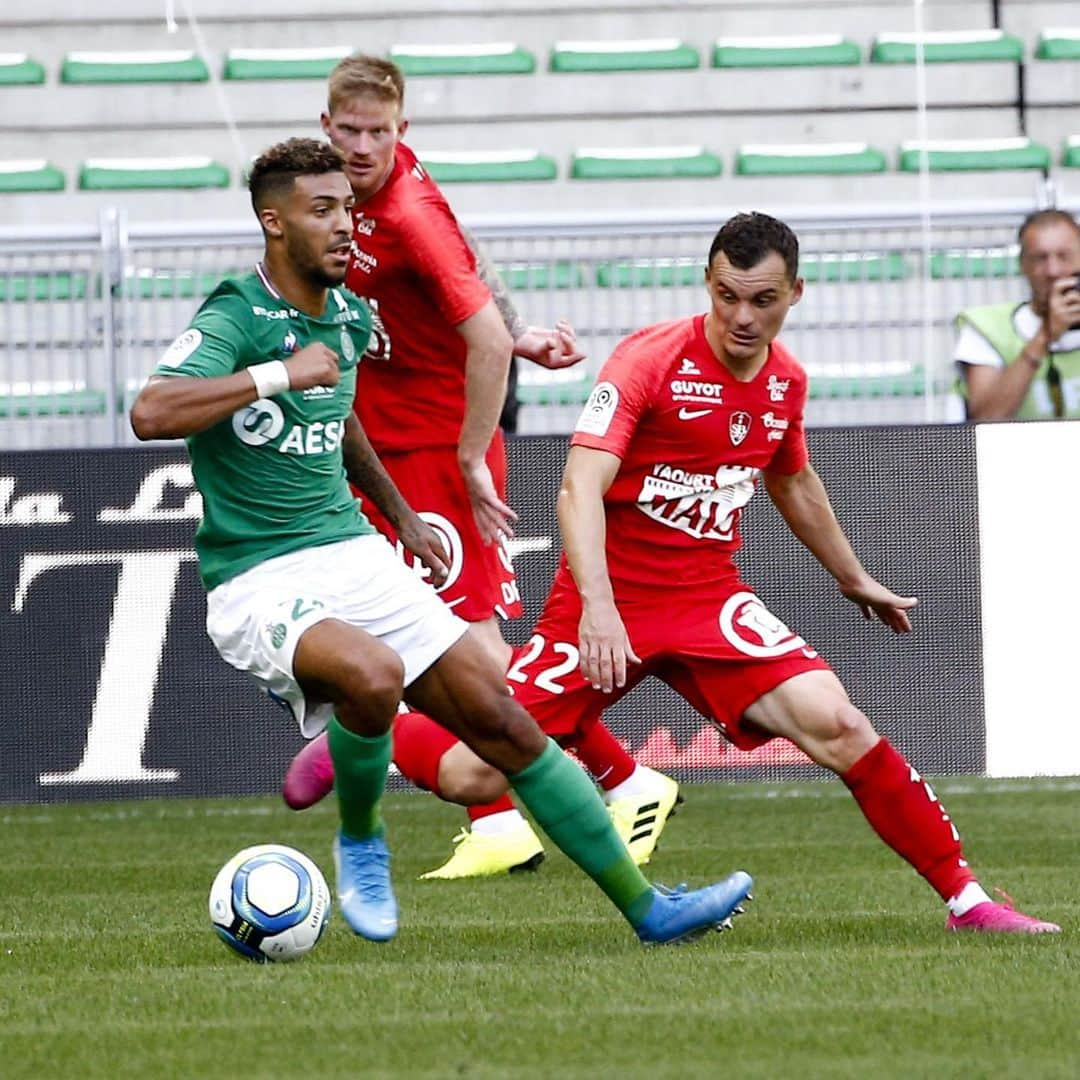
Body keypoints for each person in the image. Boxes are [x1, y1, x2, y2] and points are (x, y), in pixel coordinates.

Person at [128, 137, 753, 946]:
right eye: (323, 211)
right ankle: (360, 840)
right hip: (258, 576)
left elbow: (338, 418)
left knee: (508, 722)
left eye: (348, 208)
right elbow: (152, 411)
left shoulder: (348, 313)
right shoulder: (236, 313)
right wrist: (280, 375)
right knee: (373, 675)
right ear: (272, 222)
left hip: (352, 547)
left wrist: (400, 514)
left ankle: (649, 909)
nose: (345, 225)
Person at [497, 211, 1052, 934]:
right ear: (708, 282)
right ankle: (367, 727)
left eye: (762, 300)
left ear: (796, 293)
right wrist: (598, 610)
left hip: (706, 600)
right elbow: (577, 490)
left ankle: (968, 900)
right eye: (727, 295)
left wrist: (854, 577)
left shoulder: (786, 381)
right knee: (475, 757)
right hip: (609, 597)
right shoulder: (648, 360)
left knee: (841, 723)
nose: (742, 316)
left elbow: (793, 481)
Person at [282, 54, 681, 878]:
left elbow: (477, 323)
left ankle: (597, 782)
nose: (362, 145)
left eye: (378, 132)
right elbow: (470, 278)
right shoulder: (337, 192)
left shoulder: (409, 208)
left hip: (434, 451)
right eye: (348, 130)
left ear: (404, 131)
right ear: (327, 126)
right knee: (377, 630)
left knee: (468, 649)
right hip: (375, 449)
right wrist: (516, 325)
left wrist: (472, 452)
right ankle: (476, 780)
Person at [954, 209, 1080, 420]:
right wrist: (1045, 336)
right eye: (1040, 258)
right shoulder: (987, 328)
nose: (1053, 271)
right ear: (1022, 265)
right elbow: (985, 419)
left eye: (1064, 256)